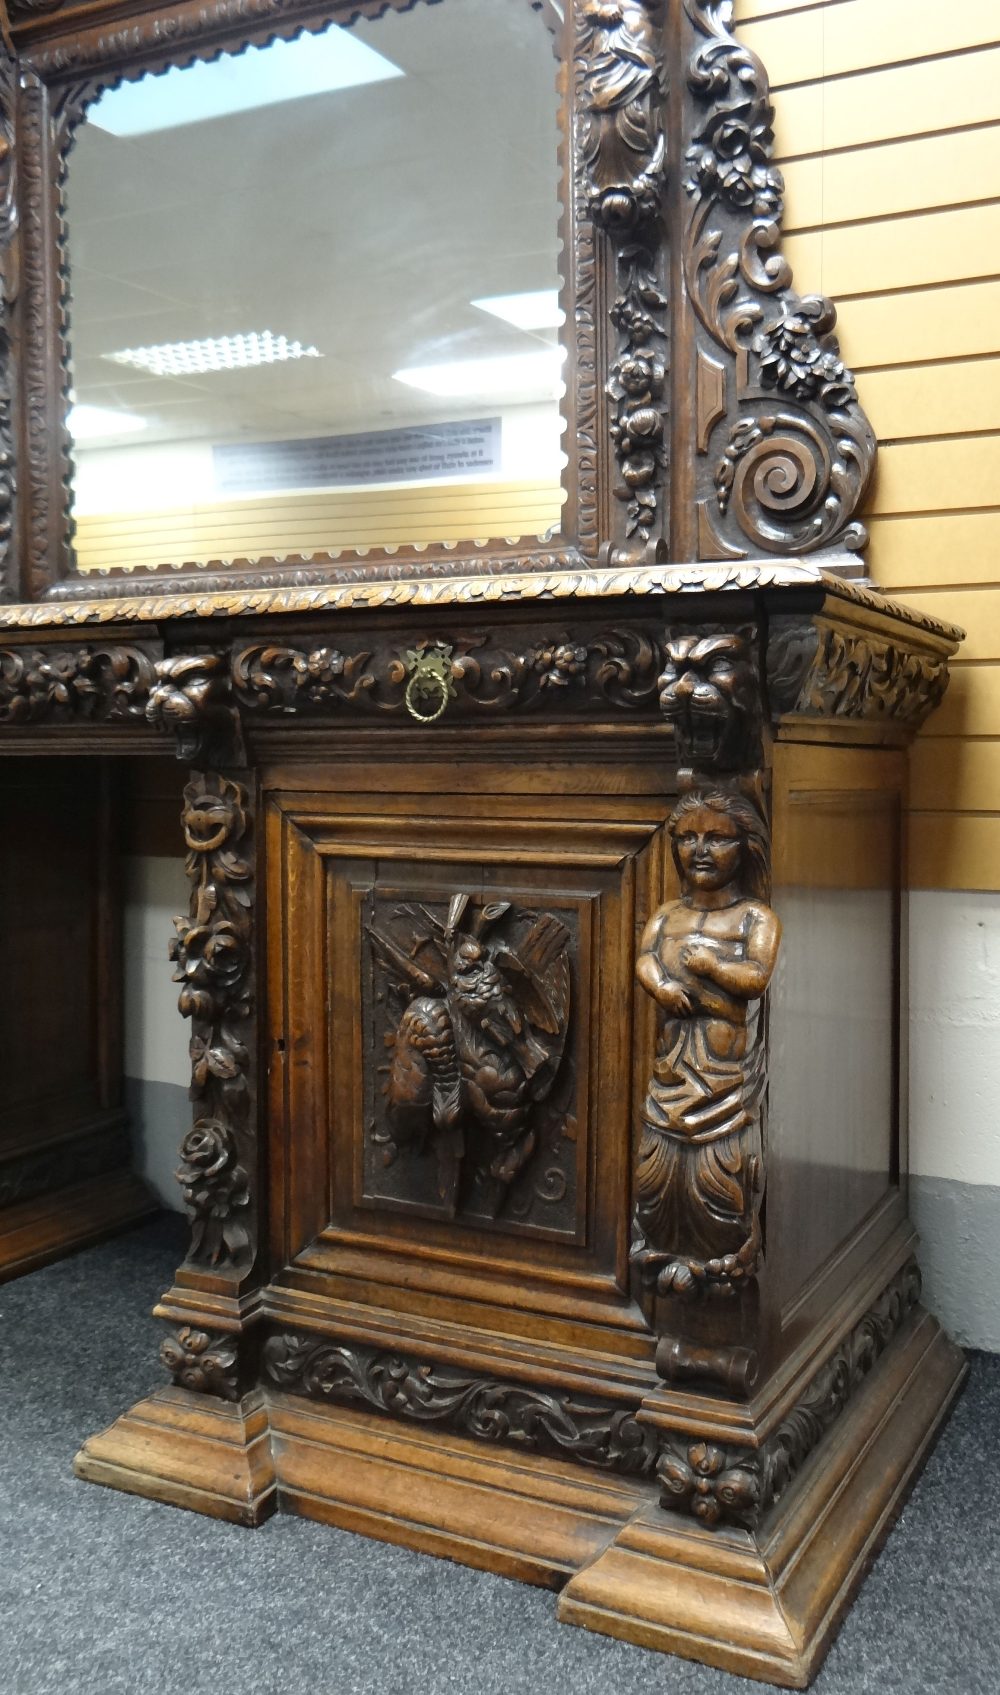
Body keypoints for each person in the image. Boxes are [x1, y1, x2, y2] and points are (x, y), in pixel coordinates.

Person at [632, 787, 781, 1295]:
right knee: (657, 1176)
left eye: (717, 838)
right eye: (688, 837)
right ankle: (668, 1242)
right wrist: (663, 986)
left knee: (718, 1177)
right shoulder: (668, 915)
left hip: (723, 1077)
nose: (700, 849)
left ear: (746, 846)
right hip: (672, 1070)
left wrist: (714, 965)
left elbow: (757, 976)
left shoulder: (753, 918)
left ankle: (719, 1252)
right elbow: (645, 959)